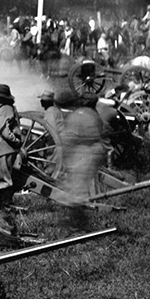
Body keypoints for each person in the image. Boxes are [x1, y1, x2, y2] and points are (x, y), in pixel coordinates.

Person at [54, 89, 104, 229]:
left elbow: (68, 138)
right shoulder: (93, 115)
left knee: (76, 189)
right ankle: (79, 221)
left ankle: (78, 224)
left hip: (83, 152)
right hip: (93, 150)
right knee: (80, 187)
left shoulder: (78, 116)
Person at [0, 83, 23, 232]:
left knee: (2, 177)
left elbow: (4, 129)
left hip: (1, 148)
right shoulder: (5, 108)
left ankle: (5, 206)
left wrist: (15, 141)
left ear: (0, 97)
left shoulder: (4, 109)